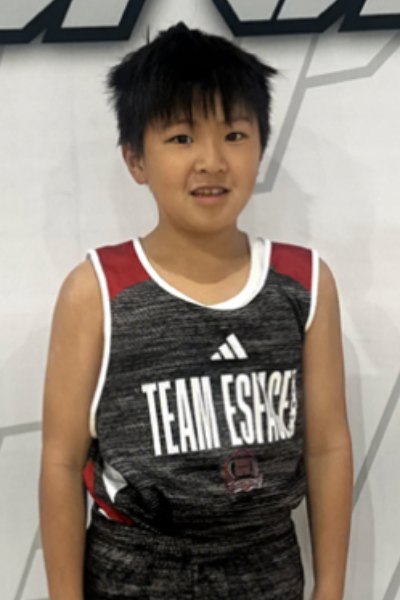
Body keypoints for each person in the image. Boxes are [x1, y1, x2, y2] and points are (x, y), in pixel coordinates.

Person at [39, 22, 353, 600]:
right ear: (136, 159)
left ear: (260, 148)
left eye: (234, 134)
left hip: (267, 570)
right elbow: (61, 462)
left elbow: (327, 446)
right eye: (182, 137)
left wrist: (330, 588)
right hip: (134, 570)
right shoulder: (96, 290)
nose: (211, 160)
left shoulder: (305, 283)